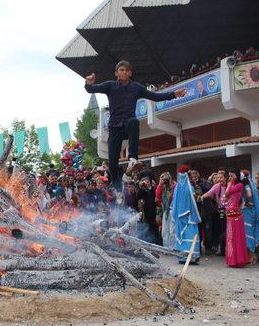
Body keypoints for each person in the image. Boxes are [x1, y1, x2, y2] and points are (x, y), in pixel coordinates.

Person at [85, 60, 186, 189]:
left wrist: (173, 94)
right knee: (112, 164)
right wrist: (89, 82)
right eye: (121, 70)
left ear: (130, 73)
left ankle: (132, 158)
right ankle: (117, 189)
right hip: (114, 127)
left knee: (134, 121)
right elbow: (91, 89)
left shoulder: (136, 88)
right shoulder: (110, 86)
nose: (124, 72)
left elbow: (154, 96)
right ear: (116, 73)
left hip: (128, 125)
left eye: (127, 70)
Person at [172, 166, 201, 264]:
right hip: (190, 216)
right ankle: (192, 256)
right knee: (191, 234)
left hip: (180, 217)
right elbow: (193, 201)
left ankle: (182, 257)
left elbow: (174, 203)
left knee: (183, 235)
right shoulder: (190, 188)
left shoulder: (177, 188)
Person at [224, 171, 249, 268]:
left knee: (236, 237)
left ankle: (238, 260)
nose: (230, 177)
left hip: (236, 213)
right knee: (230, 237)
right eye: (229, 175)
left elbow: (228, 192)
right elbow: (226, 196)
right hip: (230, 213)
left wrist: (230, 183)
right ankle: (232, 260)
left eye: (232, 175)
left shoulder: (239, 185)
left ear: (237, 176)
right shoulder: (233, 184)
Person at [242, 171, 259, 264]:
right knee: (249, 233)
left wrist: (244, 202)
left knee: (248, 234)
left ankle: (251, 256)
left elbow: (249, 195)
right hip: (252, 211)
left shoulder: (246, 185)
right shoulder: (252, 185)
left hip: (248, 212)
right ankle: (250, 256)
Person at [155, 172, 174, 248]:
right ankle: (166, 247)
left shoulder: (174, 186)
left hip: (172, 210)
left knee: (172, 231)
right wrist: (160, 184)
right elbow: (157, 198)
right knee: (164, 232)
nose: (165, 180)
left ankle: (173, 248)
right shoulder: (161, 187)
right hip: (165, 211)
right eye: (163, 178)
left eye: (166, 178)